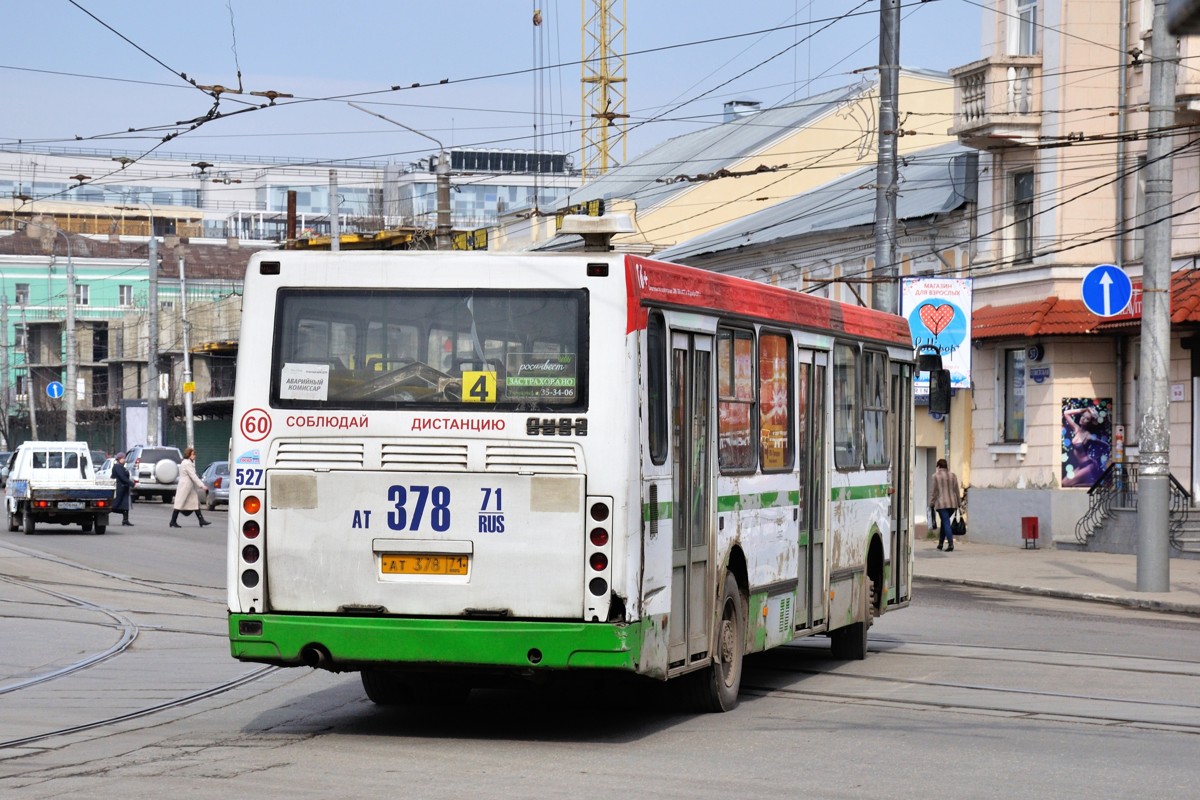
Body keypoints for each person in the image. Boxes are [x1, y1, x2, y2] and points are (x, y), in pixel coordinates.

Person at [170, 447, 211, 528]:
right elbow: (193, 476)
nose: (194, 456)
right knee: (179, 503)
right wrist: (202, 485)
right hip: (185, 486)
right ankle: (173, 521)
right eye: (193, 454)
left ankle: (201, 520)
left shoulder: (187, 462)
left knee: (195, 502)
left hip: (189, 486)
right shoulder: (187, 463)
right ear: (189, 455)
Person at [929, 458, 962, 552]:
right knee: (944, 522)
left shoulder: (935, 476)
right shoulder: (953, 475)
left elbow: (934, 491)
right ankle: (940, 544)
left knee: (946, 522)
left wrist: (931, 503)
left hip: (942, 503)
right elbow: (956, 490)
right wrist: (959, 503)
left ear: (938, 466)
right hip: (952, 503)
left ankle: (950, 543)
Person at [111, 452, 134, 526]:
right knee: (116, 504)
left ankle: (125, 520)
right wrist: (131, 483)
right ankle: (106, 511)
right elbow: (122, 477)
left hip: (124, 488)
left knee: (125, 504)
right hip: (119, 487)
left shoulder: (122, 467)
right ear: (119, 459)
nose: (125, 460)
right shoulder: (117, 467)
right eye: (123, 458)